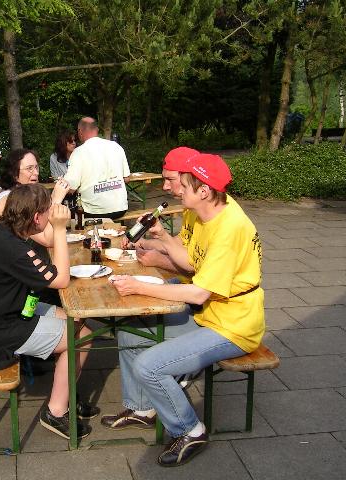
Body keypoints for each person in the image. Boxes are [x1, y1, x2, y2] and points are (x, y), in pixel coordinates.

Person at [109, 153, 264, 467]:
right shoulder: (204, 212)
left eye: (182, 183)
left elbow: (198, 290)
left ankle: (190, 430)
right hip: (209, 313)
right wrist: (161, 239)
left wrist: (138, 286)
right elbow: (192, 262)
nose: (174, 189)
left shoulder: (229, 227)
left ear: (203, 191)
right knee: (130, 330)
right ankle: (143, 408)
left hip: (233, 327)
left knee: (149, 366)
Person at [0, 183, 98, 440]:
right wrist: (59, 228)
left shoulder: (4, 233)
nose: (51, 214)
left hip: (2, 310)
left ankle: (65, 393)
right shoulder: (12, 248)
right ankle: (56, 412)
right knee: (81, 337)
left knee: (78, 321)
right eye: (48, 211)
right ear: (36, 218)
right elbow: (61, 279)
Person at [100, 147, 202, 432]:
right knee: (129, 328)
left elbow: (197, 279)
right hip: (199, 299)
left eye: (170, 179)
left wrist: (151, 270)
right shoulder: (195, 211)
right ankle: (142, 408)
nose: (164, 186)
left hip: (215, 317)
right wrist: (148, 243)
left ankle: (182, 375)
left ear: (195, 181)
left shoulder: (218, 221)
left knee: (142, 342)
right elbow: (184, 251)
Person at [0, 149, 70, 244]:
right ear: (14, 174)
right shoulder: (9, 199)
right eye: (29, 168)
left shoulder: (23, 195)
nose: (36, 173)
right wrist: (56, 199)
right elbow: (48, 240)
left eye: (36, 167)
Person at [63, 117, 130, 219]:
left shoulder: (79, 152)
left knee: (69, 208)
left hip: (93, 212)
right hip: (120, 209)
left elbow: (71, 188)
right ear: (97, 130)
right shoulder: (116, 147)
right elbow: (127, 179)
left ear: (80, 132)